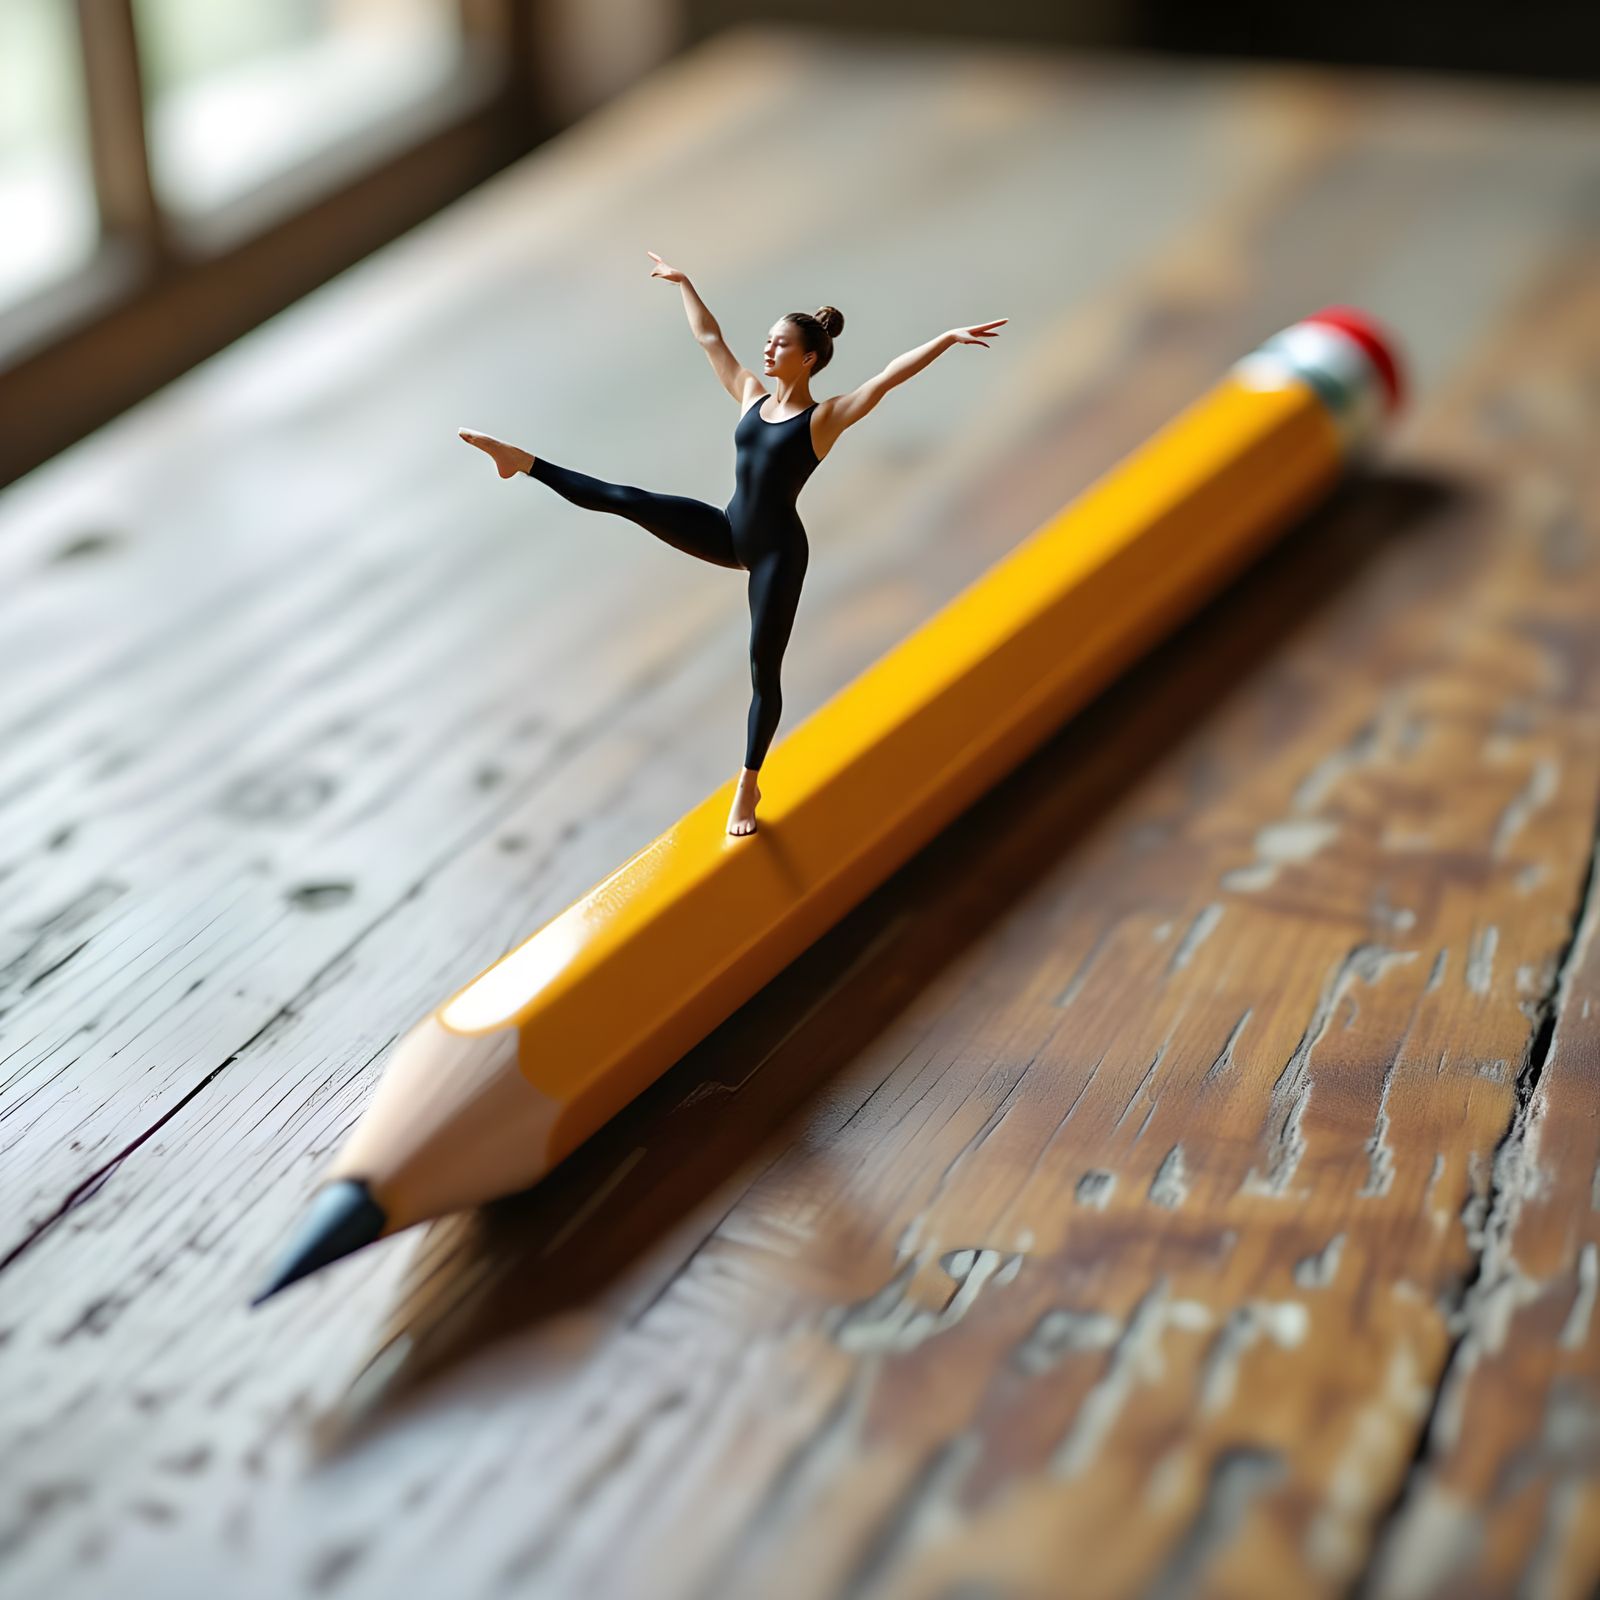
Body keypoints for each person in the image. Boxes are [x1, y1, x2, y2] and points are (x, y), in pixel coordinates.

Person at [461, 251, 1006, 835]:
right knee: (629, 500)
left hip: (777, 554)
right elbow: (710, 339)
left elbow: (888, 378)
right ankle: (521, 462)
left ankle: (747, 785)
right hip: (728, 530)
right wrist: (685, 285)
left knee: (762, 671)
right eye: (768, 341)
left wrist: (947, 338)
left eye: (780, 344)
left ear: (810, 357)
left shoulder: (822, 420)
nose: (767, 350)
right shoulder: (750, 394)